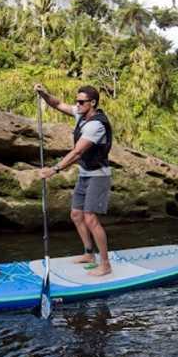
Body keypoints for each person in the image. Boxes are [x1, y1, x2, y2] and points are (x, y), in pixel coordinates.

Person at [34, 83, 113, 276]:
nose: (77, 105)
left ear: (92, 103)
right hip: (85, 173)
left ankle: (105, 264)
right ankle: (89, 254)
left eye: (81, 102)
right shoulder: (81, 114)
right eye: (77, 101)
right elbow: (58, 104)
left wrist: (54, 170)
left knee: (90, 218)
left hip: (99, 176)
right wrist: (44, 94)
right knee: (76, 215)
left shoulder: (96, 125)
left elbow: (78, 151)